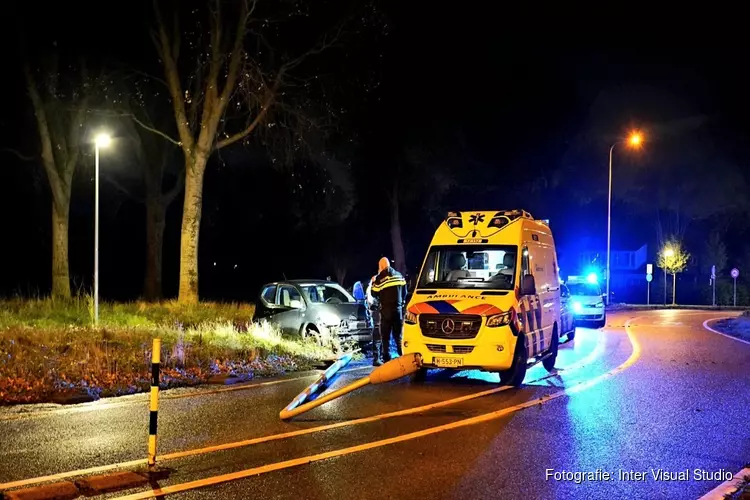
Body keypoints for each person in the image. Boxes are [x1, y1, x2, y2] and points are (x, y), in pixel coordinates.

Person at [371, 257, 408, 362]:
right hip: (398, 311)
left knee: (385, 336)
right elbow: (405, 292)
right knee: (398, 336)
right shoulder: (399, 276)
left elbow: (374, 294)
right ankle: (403, 356)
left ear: (381, 266)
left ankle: (387, 357)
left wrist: (374, 282)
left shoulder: (380, 278)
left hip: (386, 312)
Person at [365, 275, 382, 366]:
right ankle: (377, 357)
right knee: (378, 334)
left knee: (381, 334)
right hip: (376, 311)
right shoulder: (372, 288)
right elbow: (372, 301)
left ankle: (380, 356)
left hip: (379, 311)